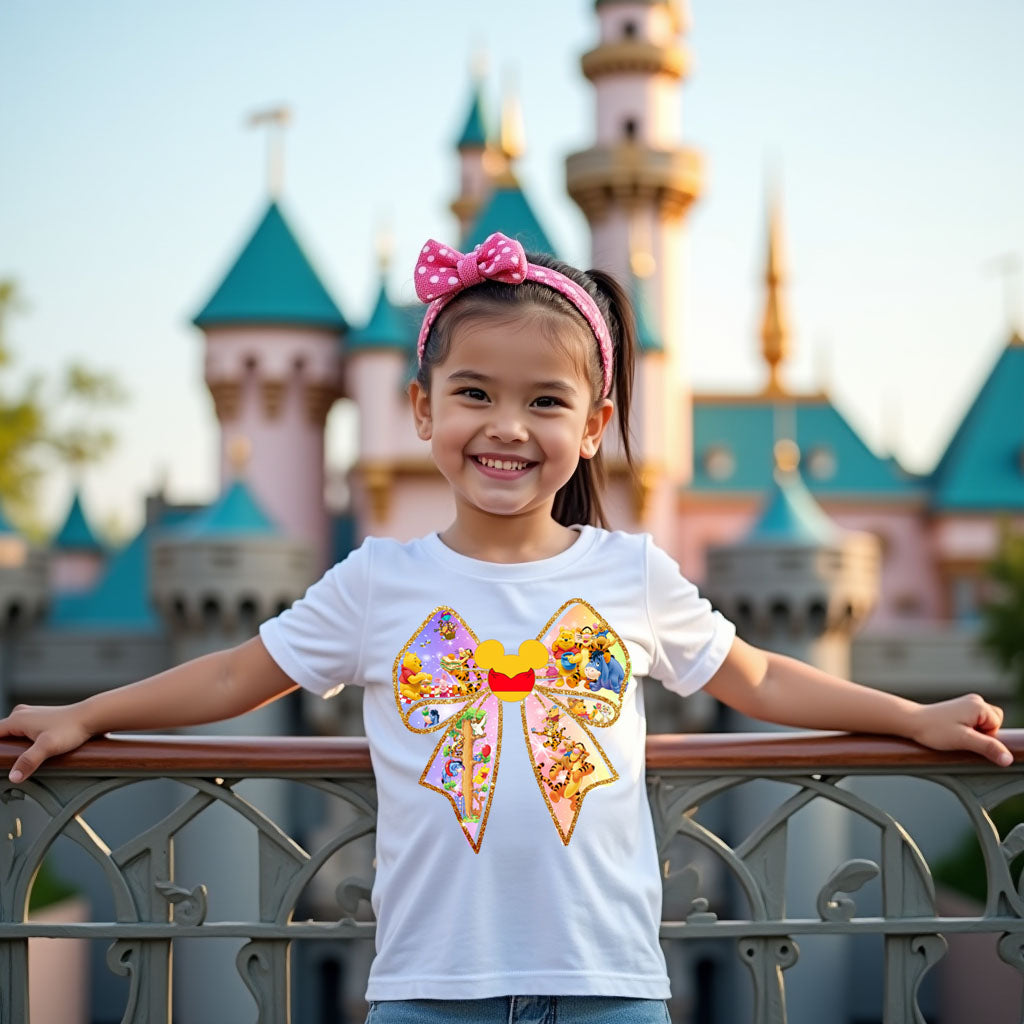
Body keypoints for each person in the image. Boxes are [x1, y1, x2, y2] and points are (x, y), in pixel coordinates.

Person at [0, 231, 1011, 1024]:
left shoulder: (629, 571)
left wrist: (911, 719)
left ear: (595, 423)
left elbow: (761, 677)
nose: (507, 427)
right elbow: (232, 676)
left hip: (610, 982)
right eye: (473, 393)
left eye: (544, 401)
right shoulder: (380, 582)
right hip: (427, 987)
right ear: (420, 410)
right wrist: (84, 715)